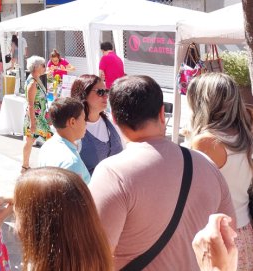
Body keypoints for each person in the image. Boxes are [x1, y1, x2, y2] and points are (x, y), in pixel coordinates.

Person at [88, 75, 235, 270]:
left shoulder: (112, 173)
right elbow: (229, 237)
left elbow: (95, 253)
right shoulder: (206, 164)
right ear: (161, 113)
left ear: (114, 118)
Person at [187, 73, 253, 270]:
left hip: (217, 234)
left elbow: (192, 193)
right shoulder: (245, 136)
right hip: (243, 228)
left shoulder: (206, 141)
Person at [14, 167, 113, 271]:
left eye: (16, 214)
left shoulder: (40, 265)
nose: (15, 224)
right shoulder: (94, 261)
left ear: (36, 225)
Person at [70, 74, 123, 174]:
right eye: (100, 92)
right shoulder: (72, 130)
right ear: (83, 94)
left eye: (106, 91)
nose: (106, 96)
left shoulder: (111, 121)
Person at [37, 97, 90, 183]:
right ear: (72, 122)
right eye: (84, 119)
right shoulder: (72, 162)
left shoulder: (47, 146)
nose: (86, 123)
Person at [22, 55, 52, 172]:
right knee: (51, 141)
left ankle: (25, 166)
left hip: (38, 117)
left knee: (29, 141)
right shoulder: (33, 83)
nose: (45, 67)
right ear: (36, 67)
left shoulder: (35, 78)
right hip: (36, 118)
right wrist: (33, 123)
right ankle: (48, 166)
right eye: (43, 65)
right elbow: (31, 104)